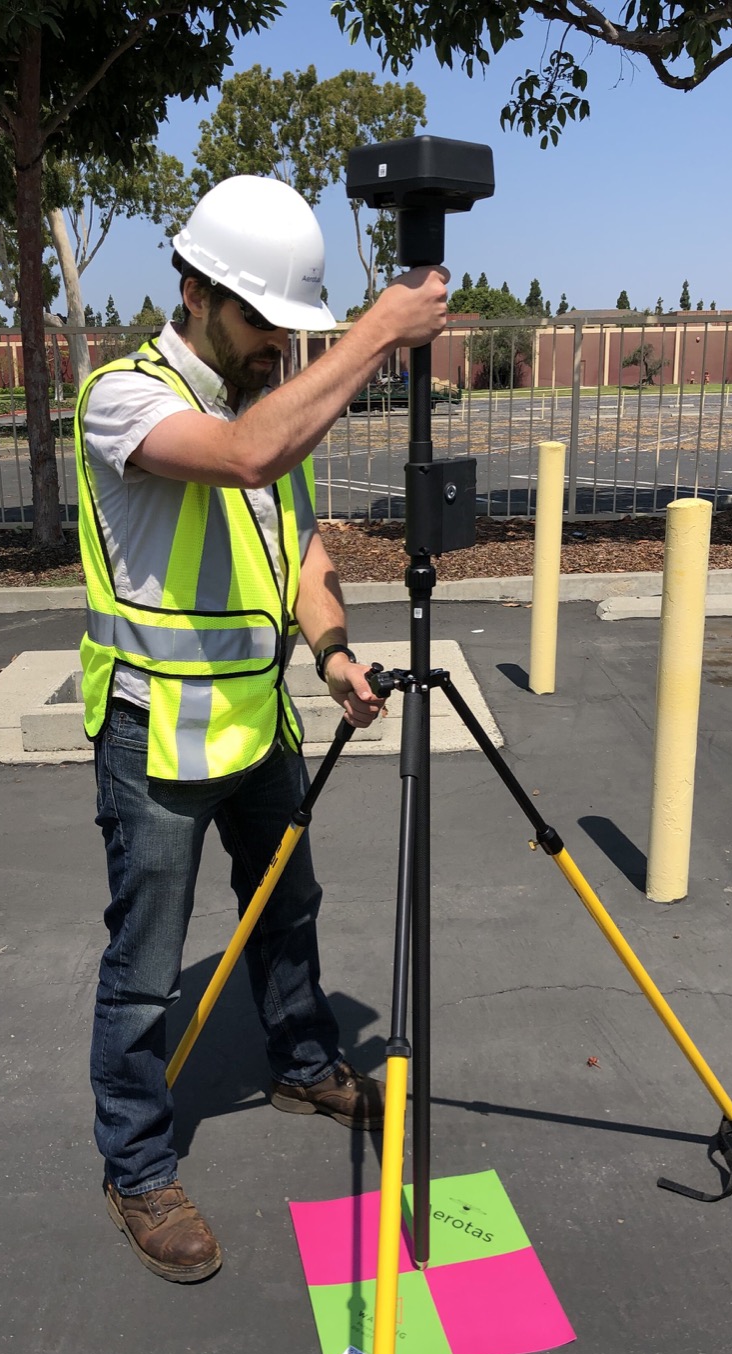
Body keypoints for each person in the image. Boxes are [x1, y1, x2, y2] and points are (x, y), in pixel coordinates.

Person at [74, 174, 449, 1284]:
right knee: (146, 968)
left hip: (260, 721)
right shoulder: (123, 397)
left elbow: (300, 550)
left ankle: (300, 1060)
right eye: (260, 324)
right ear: (192, 290)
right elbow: (242, 457)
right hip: (155, 735)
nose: (277, 349)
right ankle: (135, 1163)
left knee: (288, 908)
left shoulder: (271, 411)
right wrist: (380, 331)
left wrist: (331, 649)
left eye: (296, 331)